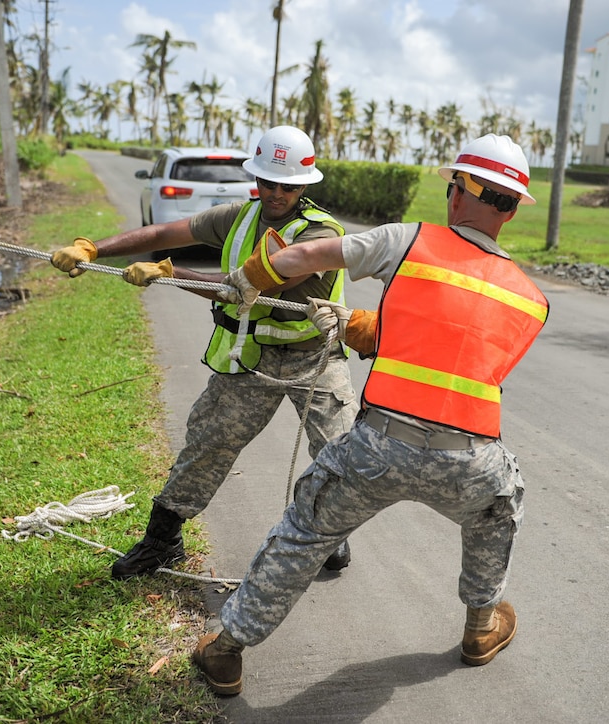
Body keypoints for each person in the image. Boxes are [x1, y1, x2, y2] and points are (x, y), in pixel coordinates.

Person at [190, 134, 550, 696]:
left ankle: (227, 649)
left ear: (459, 191)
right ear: (510, 209)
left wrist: (244, 282)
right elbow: (462, 358)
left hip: (379, 449)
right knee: (497, 514)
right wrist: (375, 331)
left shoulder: (407, 241)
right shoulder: (531, 299)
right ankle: (482, 628)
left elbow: (304, 255)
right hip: (471, 459)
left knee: (305, 531)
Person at [50, 126, 357, 578]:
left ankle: (330, 533)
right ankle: (162, 541)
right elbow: (166, 230)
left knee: (338, 453)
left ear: (305, 184)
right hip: (249, 358)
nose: (275, 192)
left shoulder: (319, 233)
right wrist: (93, 246)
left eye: (287, 185)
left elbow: (249, 287)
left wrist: (169, 273)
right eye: (267, 182)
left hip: (314, 360)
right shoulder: (241, 216)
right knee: (207, 444)